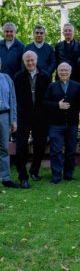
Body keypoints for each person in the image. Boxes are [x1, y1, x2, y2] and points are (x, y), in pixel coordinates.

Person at [14, 51, 51, 188]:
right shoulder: (18, 77)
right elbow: (15, 98)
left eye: (32, 60)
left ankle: (34, 171)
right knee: (21, 146)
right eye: (27, 61)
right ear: (24, 62)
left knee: (40, 145)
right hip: (23, 116)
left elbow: (49, 96)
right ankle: (23, 176)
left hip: (40, 117)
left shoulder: (45, 76)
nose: (30, 63)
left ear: (36, 60)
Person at [44, 63, 80, 184]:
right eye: (61, 70)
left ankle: (68, 174)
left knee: (71, 150)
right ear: (57, 72)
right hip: (55, 124)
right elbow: (45, 103)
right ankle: (56, 175)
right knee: (56, 151)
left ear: (70, 72)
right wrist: (57, 105)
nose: (64, 72)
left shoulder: (77, 86)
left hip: (72, 123)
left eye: (66, 70)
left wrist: (74, 110)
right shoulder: (52, 86)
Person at [0, 58, 19, 188]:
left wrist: (13, 119)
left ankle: (5, 178)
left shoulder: (6, 78)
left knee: (4, 148)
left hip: (4, 116)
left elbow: (13, 99)